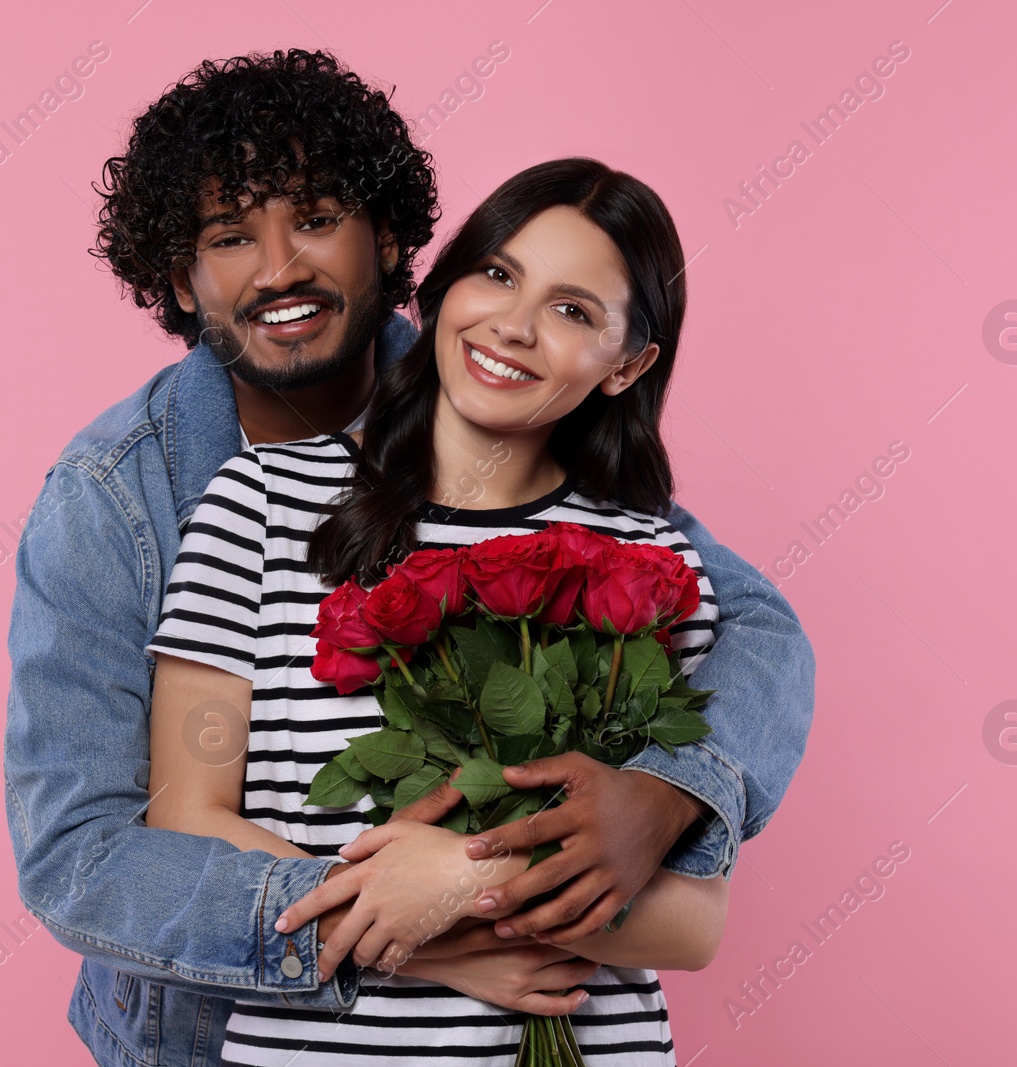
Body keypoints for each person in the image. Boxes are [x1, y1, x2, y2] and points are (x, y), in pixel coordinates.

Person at [3, 49, 815, 1067]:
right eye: (227, 238)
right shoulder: (124, 497)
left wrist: (671, 790)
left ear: (389, 238)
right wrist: (421, 927)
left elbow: (752, 622)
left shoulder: (511, 406)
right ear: (180, 276)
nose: (278, 268)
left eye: (314, 218)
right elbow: (86, 855)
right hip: (217, 1029)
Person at [145, 156, 734, 1066]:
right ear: (441, 286)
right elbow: (187, 824)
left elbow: (693, 921)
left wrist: (466, 879)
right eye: (497, 275)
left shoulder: (653, 565)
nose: (514, 325)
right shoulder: (260, 502)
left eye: (573, 310)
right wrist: (435, 946)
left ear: (628, 365)